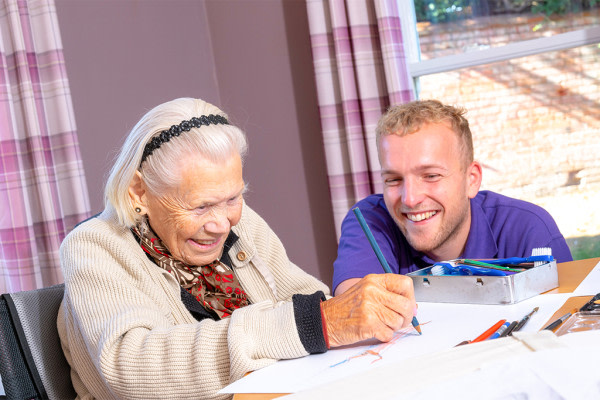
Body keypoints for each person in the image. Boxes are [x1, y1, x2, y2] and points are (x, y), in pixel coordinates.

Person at [57, 98, 417, 400]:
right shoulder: (94, 245)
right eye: (199, 206)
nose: (221, 223)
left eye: (233, 197)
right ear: (140, 193)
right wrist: (314, 324)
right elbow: (130, 367)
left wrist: (353, 315)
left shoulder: (240, 223)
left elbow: (306, 298)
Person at [333, 99, 572, 296]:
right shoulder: (370, 221)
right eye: (393, 180)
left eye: (431, 175)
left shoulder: (528, 228)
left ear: (471, 179)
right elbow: (354, 314)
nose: (410, 198)